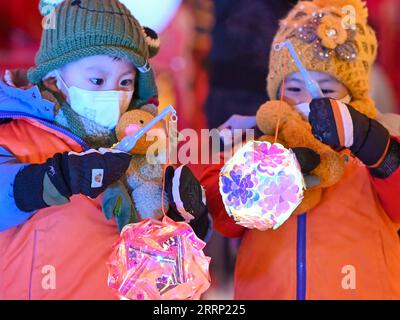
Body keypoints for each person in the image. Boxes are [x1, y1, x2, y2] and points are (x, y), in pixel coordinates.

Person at [0, 0, 209, 299]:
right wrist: (56, 177)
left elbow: (169, 283)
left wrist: (190, 222)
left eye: (125, 81)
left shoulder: (145, 150)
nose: (113, 93)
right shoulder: (16, 134)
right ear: (52, 76)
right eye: (97, 80)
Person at [199, 0, 400, 299]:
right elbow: (222, 218)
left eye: (326, 91)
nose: (308, 100)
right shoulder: (259, 144)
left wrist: (371, 143)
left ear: (353, 93)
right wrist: (259, 181)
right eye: (293, 89)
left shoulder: (376, 148)